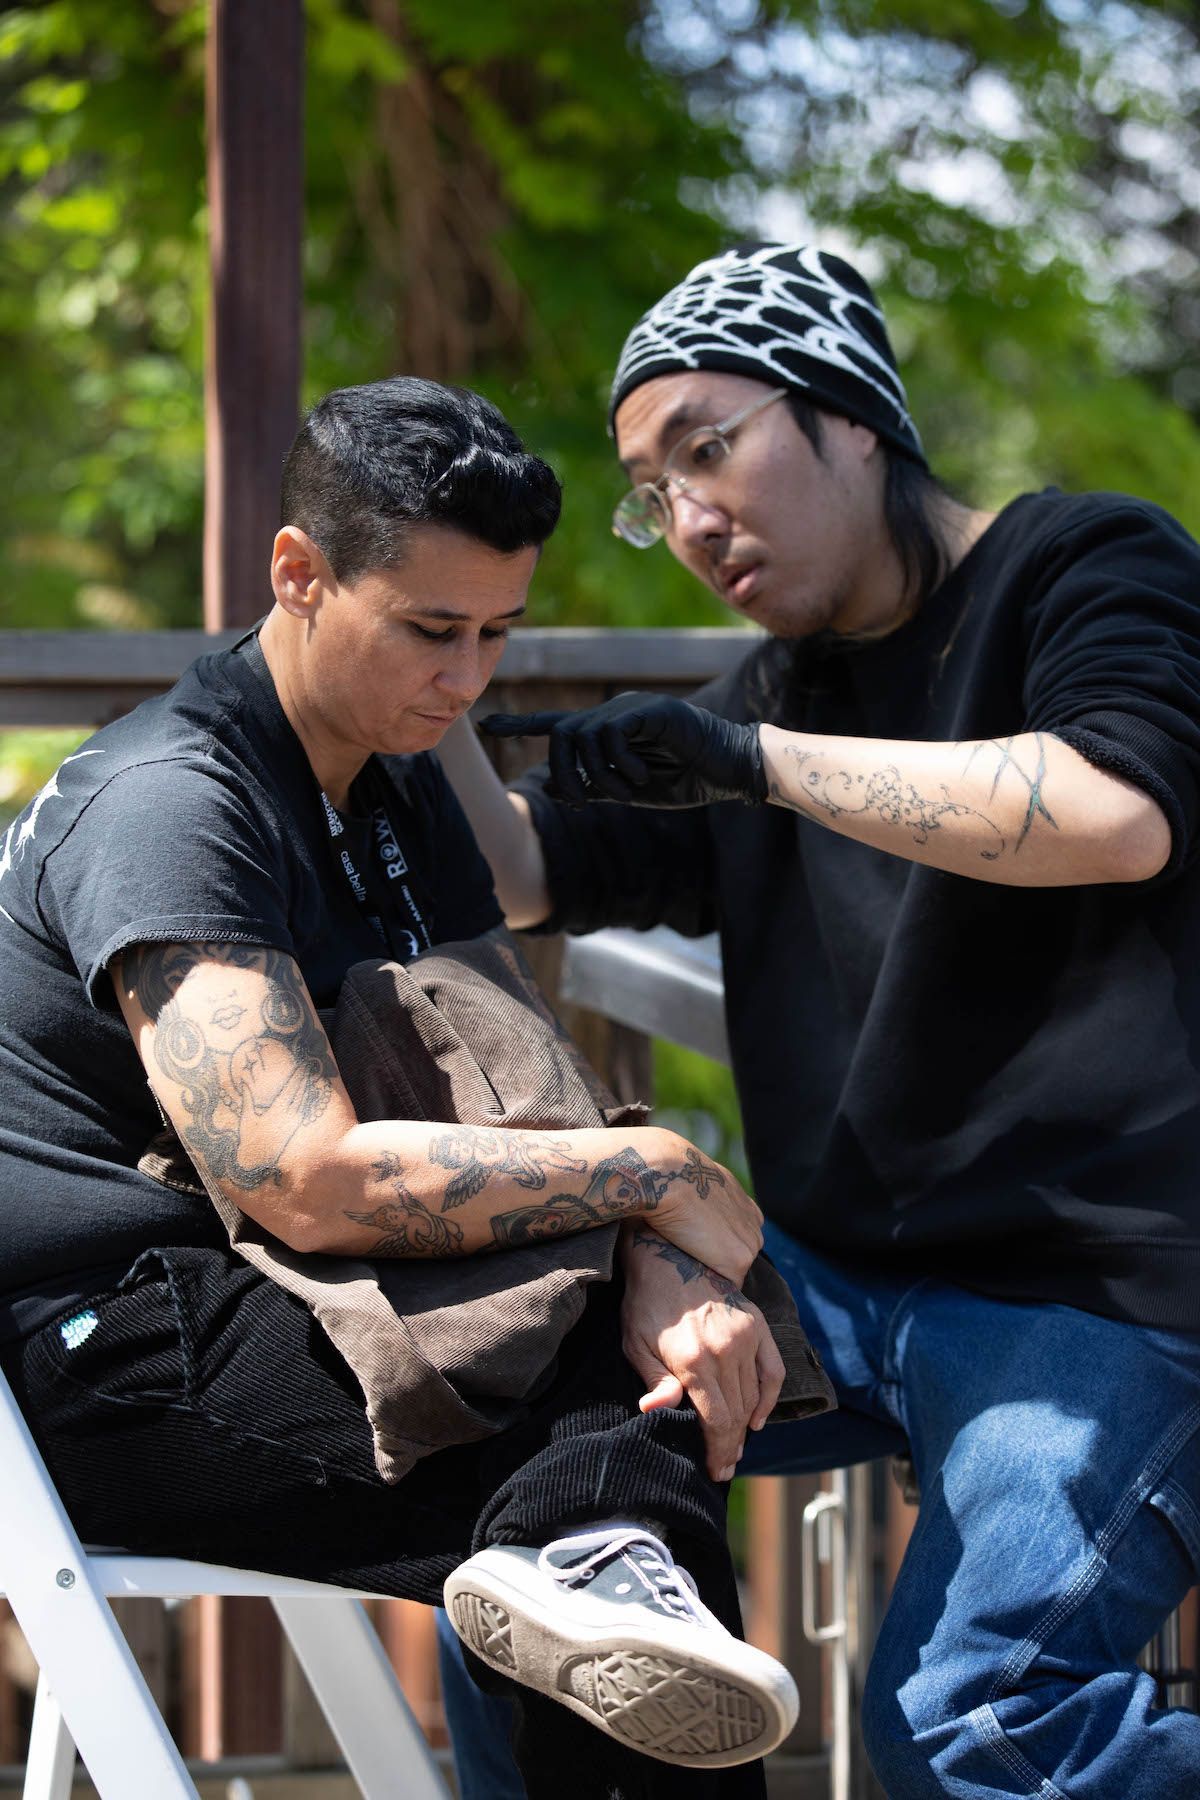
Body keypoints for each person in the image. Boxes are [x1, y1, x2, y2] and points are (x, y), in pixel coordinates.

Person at [436, 242, 1200, 1798]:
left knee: (964, 1736)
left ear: (851, 411)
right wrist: (429, 639)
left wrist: (749, 760)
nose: (690, 519)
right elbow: (515, 868)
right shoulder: (769, 685)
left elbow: (1117, 810)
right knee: (518, 1531)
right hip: (837, 1289)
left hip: (1101, 1294)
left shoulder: (1086, 563)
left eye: (710, 446)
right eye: (657, 491)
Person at [0, 375, 805, 1798]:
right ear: (298, 574)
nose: (469, 679)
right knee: (610, 1468)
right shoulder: (174, 801)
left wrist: (648, 1264)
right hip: (105, 1341)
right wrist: (664, 1178)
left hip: (285, 1295)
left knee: (622, 1479)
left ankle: (599, 1553)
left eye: (497, 633)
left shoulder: (395, 781)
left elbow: (521, 1091)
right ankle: (600, 1544)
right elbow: (299, 1182)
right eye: (433, 630)